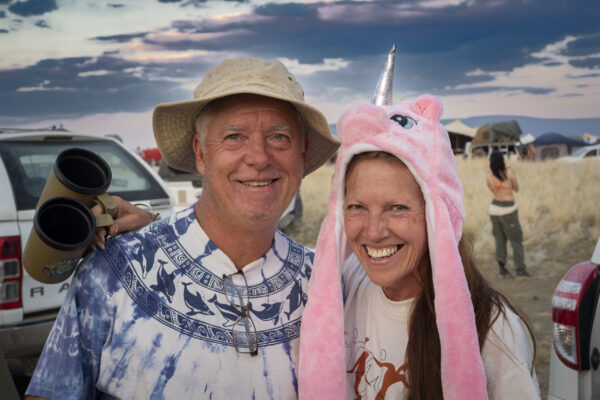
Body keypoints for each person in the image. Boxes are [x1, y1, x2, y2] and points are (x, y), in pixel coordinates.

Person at [25, 57, 339, 399]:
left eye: (279, 137)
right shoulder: (114, 272)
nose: (260, 157)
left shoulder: (325, 282)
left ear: (302, 152)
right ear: (200, 153)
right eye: (234, 136)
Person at [298, 96, 540, 399]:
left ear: (437, 213)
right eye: (357, 206)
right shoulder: (345, 285)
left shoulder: (493, 333)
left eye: (397, 208)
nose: (373, 231)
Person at [486, 150, 531, 277]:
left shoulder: (488, 176)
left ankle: (502, 269)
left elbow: (492, 190)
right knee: (516, 239)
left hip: (494, 209)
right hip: (509, 210)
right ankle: (520, 269)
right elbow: (516, 188)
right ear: (502, 161)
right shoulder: (509, 172)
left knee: (499, 239)